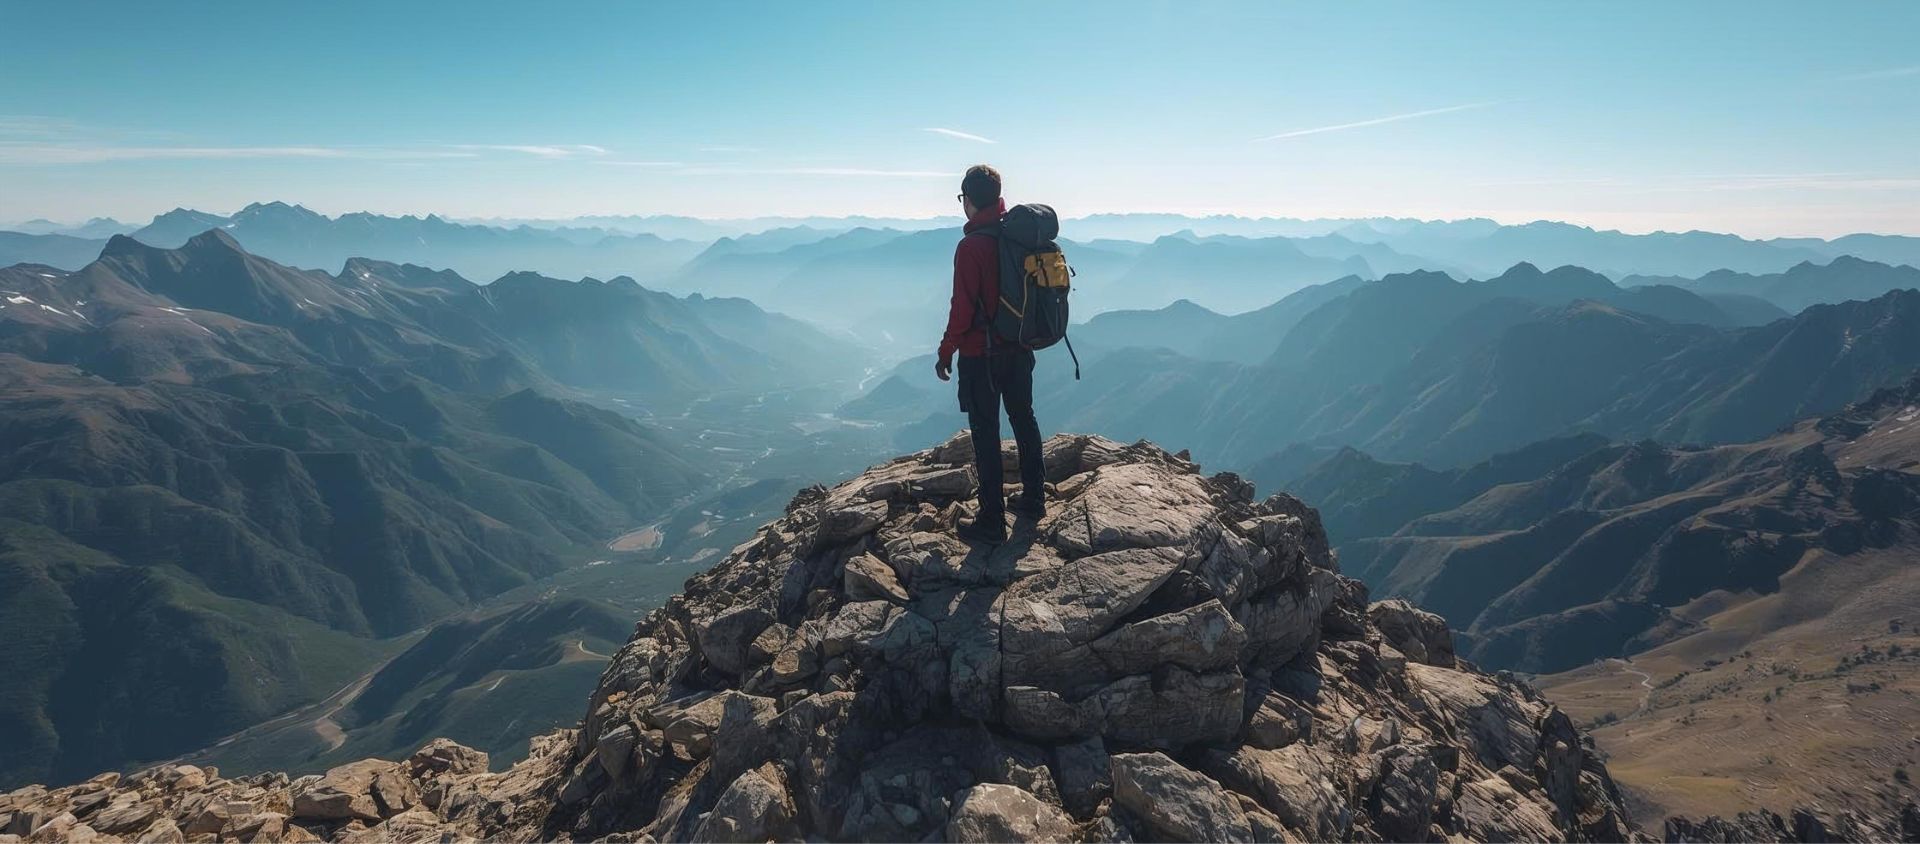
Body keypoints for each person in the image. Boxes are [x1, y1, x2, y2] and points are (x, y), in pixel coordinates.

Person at [935, 164, 1046, 545]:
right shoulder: (1016, 237)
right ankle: (1034, 499)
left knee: (986, 434)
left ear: (968, 200)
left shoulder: (971, 247)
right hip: (1020, 347)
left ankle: (991, 521)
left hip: (980, 355)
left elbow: (962, 308)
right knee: (1024, 419)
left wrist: (946, 350)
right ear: (998, 197)